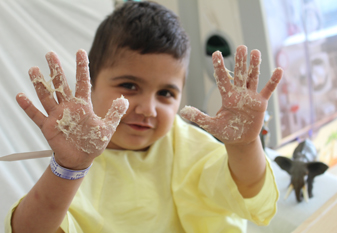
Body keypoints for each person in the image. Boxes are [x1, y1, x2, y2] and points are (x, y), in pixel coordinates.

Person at [6, 1, 283, 233]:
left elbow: (250, 193)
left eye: (166, 93)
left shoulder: (186, 145)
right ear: (90, 85)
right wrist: (68, 167)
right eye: (129, 86)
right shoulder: (72, 164)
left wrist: (245, 145)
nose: (148, 109)